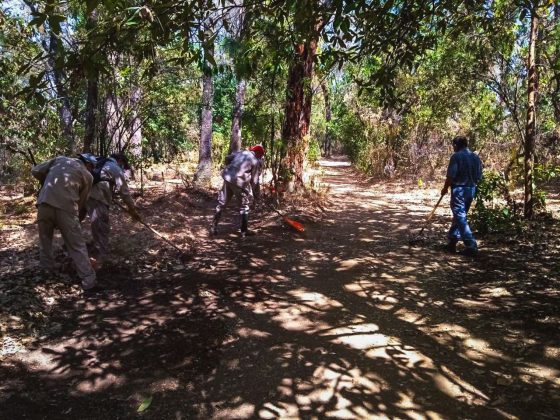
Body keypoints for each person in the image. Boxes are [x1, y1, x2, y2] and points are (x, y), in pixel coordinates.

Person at [31, 154, 98, 290]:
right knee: (77, 245)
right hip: (67, 209)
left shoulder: (59, 160)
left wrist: (46, 180)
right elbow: (81, 201)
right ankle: (88, 280)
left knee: (45, 241)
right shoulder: (88, 176)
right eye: (92, 167)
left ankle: (47, 273)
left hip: (44, 204)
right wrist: (74, 217)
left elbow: (35, 171)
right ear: (89, 165)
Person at [86, 153, 140, 266]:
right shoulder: (114, 167)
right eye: (123, 165)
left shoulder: (102, 163)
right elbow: (124, 192)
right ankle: (101, 259)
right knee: (102, 228)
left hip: (89, 197)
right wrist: (132, 209)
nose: (123, 168)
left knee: (97, 226)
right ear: (120, 160)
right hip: (98, 199)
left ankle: (98, 254)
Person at [441, 136, 483, 256]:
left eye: (453, 145)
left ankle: (471, 246)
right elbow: (479, 176)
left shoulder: (456, 156)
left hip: (459, 189)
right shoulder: (475, 157)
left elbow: (450, 176)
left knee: (460, 217)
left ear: (456, 145)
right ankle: (452, 241)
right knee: (460, 216)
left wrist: (445, 188)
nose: (453, 147)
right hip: (471, 189)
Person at [211, 145, 265, 237]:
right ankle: (244, 231)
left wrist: (231, 168)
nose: (261, 157)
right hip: (239, 183)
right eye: (261, 155)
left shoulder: (242, 153)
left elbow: (227, 158)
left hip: (227, 178)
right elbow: (255, 181)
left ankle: (213, 228)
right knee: (244, 206)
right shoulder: (255, 161)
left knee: (222, 203)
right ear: (258, 153)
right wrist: (256, 194)